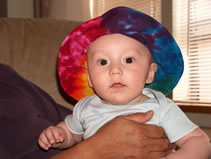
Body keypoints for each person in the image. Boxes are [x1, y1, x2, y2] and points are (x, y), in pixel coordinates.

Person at [38, 7, 211, 159]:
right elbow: (72, 134)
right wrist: (58, 136)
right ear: (90, 78)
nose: (115, 70)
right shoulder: (84, 108)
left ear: (150, 74)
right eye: (103, 62)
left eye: (128, 60)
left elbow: (198, 141)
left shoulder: (160, 106)